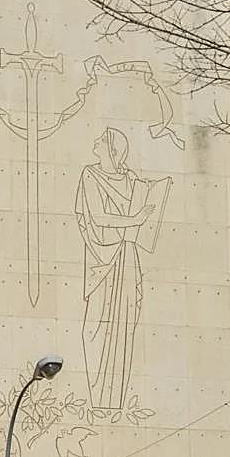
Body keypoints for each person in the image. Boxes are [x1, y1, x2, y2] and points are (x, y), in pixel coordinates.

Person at [75, 128, 155, 410]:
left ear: (112, 150)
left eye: (102, 140)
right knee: (97, 326)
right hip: (103, 261)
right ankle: (99, 399)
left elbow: (144, 198)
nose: (96, 142)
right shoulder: (90, 175)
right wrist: (134, 219)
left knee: (124, 324)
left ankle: (114, 402)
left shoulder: (130, 179)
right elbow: (96, 217)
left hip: (127, 257)